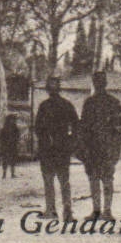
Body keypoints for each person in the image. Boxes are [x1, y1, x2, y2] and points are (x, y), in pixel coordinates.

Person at [78, 70, 121, 221]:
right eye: (97, 82)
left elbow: (119, 128)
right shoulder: (89, 103)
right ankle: (98, 210)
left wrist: (116, 148)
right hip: (94, 148)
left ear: (104, 83)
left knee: (106, 178)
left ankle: (106, 211)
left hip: (106, 148)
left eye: (101, 82)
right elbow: (83, 127)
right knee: (95, 178)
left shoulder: (113, 103)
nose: (99, 85)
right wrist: (84, 147)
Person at [34, 77, 78, 221]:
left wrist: (45, 140)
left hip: (49, 149)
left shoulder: (44, 106)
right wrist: (70, 142)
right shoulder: (66, 105)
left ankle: (52, 210)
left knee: (49, 181)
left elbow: (37, 128)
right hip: (61, 149)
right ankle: (67, 212)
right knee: (63, 181)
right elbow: (76, 127)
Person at [0, 114, 22, 178]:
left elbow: (18, 137)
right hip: (6, 146)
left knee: (12, 160)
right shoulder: (4, 129)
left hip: (12, 146)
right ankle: (4, 173)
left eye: (14, 120)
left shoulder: (15, 129)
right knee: (5, 160)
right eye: (12, 119)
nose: (13, 121)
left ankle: (12, 173)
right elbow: (1, 138)